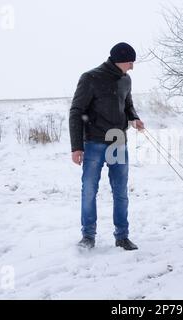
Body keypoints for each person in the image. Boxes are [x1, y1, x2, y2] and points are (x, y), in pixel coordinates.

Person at [69, 42, 145, 250]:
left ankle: (122, 236)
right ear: (121, 60)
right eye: (130, 62)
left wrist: (134, 118)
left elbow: (127, 104)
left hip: (118, 142)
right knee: (89, 191)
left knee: (120, 191)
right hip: (94, 143)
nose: (132, 67)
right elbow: (76, 111)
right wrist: (77, 147)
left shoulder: (125, 80)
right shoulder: (90, 78)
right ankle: (88, 236)